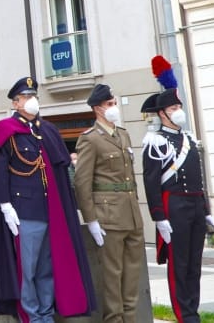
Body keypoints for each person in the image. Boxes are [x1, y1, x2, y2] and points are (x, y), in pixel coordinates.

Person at [0, 76, 95, 323]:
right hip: (24, 211)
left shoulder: (47, 130)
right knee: (28, 270)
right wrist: (5, 205)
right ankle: (32, 316)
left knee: (47, 268)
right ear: (15, 104)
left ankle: (46, 313)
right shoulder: (5, 130)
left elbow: (60, 170)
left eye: (33, 96)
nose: (31, 100)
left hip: (50, 211)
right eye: (25, 97)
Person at [141, 77, 214, 323]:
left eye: (179, 107)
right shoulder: (155, 141)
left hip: (195, 206)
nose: (178, 111)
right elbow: (151, 182)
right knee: (179, 264)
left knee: (194, 264)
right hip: (174, 207)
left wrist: (206, 210)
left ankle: (193, 310)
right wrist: (159, 217)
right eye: (173, 108)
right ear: (162, 113)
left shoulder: (189, 139)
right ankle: (185, 316)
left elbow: (198, 178)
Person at [74, 83, 146, 323]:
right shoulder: (90, 139)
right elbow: (82, 182)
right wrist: (91, 220)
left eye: (114, 103)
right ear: (98, 108)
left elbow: (130, 177)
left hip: (131, 214)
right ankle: (114, 320)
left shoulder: (123, 134)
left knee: (132, 274)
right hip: (109, 217)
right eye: (109, 104)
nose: (114, 107)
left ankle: (130, 319)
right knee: (112, 275)